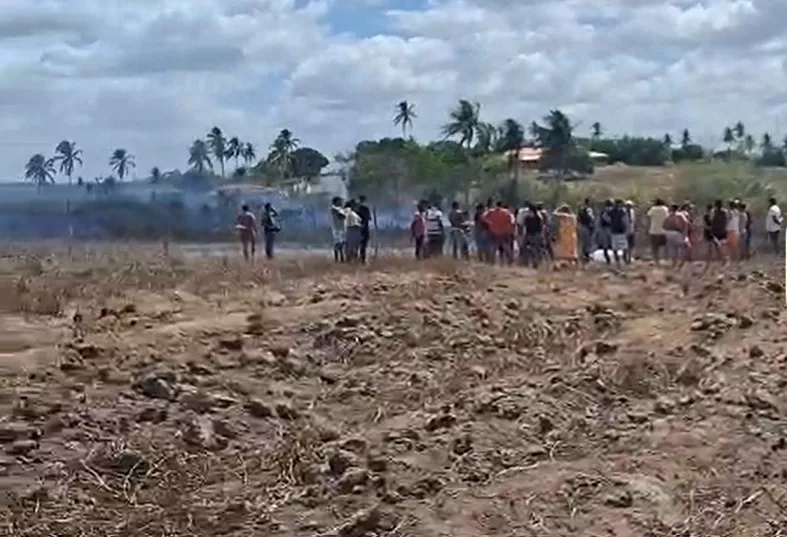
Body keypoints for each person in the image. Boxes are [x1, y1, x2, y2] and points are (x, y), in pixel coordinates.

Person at [663, 204, 689, 268]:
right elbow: (686, 224)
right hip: (677, 233)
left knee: (673, 250)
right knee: (685, 247)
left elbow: (664, 226)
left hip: (668, 233)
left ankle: (673, 265)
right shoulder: (680, 215)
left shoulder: (668, 216)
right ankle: (681, 264)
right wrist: (685, 234)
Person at [520, 203, 544, 268]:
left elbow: (523, 225)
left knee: (524, 248)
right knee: (536, 249)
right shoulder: (539, 217)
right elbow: (541, 226)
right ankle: (535, 263)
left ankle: (525, 262)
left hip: (529, 234)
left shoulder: (527, 217)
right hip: (537, 234)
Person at [607, 199, 629, 269]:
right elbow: (625, 220)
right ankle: (625, 262)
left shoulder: (611, 211)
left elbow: (606, 217)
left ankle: (618, 263)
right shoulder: (622, 211)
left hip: (614, 231)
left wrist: (611, 223)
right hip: (621, 231)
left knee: (615, 248)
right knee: (624, 247)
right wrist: (626, 227)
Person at [647, 198, 668, 264]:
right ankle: (663, 259)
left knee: (654, 247)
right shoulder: (665, 209)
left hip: (654, 230)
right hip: (663, 230)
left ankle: (656, 260)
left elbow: (648, 216)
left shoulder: (653, 209)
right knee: (663, 246)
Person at [709, 199, 728, 265]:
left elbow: (711, 220)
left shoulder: (714, 211)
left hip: (716, 230)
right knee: (721, 245)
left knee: (717, 246)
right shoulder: (725, 211)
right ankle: (723, 258)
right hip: (723, 230)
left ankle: (722, 259)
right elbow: (726, 220)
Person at [577, 198, 595, 264]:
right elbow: (591, 218)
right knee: (587, 242)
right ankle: (586, 256)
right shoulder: (588, 209)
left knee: (583, 242)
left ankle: (583, 255)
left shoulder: (581, 209)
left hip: (582, 226)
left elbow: (578, 218)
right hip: (587, 227)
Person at [330, 197, 346, 263]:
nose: (341, 202)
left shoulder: (340, 209)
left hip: (341, 228)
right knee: (337, 243)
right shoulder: (333, 208)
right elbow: (342, 216)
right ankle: (337, 258)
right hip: (336, 228)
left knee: (341, 243)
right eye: (339, 201)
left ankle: (341, 257)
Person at [357, 195, 372, 263]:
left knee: (357, 244)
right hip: (364, 228)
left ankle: (357, 258)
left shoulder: (356, 209)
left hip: (356, 228)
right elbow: (369, 218)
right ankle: (362, 259)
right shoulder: (365, 208)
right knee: (363, 245)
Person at [598, 199, 614, 264]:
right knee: (611, 243)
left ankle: (608, 258)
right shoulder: (610, 211)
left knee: (606, 244)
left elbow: (601, 220)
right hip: (609, 228)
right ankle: (610, 258)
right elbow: (607, 219)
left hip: (604, 228)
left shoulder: (603, 211)